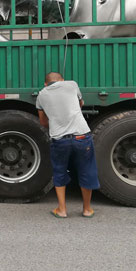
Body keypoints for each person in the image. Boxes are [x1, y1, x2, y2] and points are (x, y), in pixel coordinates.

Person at [36, 72, 98, 218]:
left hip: (60, 140)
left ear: (45, 84)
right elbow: (80, 104)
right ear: (62, 80)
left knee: (59, 171)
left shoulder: (41, 95)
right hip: (81, 136)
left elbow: (43, 122)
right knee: (86, 170)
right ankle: (87, 209)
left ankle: (62, 210)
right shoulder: (72, 85)